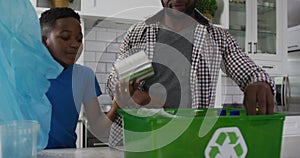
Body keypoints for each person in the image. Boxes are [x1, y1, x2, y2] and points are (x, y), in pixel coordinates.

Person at [106, 0, 275, 147]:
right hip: (141, 140)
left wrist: (258, 82)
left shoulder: (217, 38)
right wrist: (134, 95)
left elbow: (247, 68)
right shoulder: (139, 34)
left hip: (190, 141)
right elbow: (115, 80)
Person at [39, 7, 119, 149]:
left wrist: (118, 104)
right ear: (44, 40)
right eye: (65, 37)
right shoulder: (26, 73)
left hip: (67, 153)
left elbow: (98, 127)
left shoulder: (84, 76)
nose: (75, 44)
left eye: (79, 39)